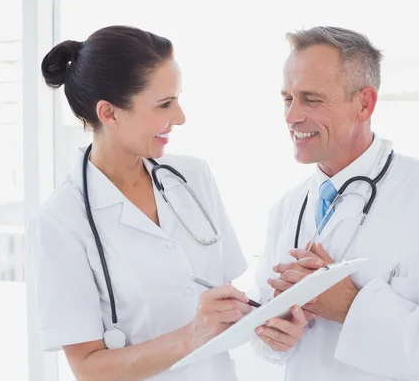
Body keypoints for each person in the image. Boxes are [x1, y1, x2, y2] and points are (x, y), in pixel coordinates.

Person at [252, 26, 419, 380]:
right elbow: (267, 340)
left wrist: (350, 306)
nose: (291, 116)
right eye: (287, 98)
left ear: (364, 103)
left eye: (311, 99)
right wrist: (274, 337)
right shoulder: (287, 208)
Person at [26, 25, 251, 381]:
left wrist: (273, 315)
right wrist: (190, 337)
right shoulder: (59, 221)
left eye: (176, 98)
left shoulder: (193, 177)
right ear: (109, 113)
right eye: (164, 104)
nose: (180, 117)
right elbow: (88, 368)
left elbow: (226, 299)